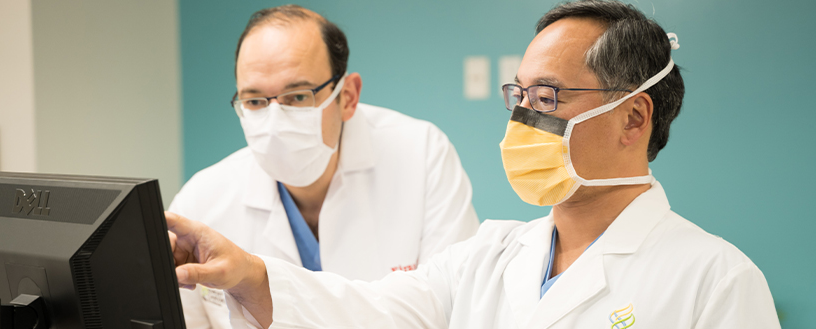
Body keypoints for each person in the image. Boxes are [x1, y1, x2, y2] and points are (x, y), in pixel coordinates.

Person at [166, 1, 781, 328]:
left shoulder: (716, 281)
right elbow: (372, 315)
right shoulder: (488, 256)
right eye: (519, 97)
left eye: (548, 98)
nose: (522, 121)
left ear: (633, 118)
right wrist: (250, 274)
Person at [168, 5, 479, 328]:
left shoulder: (422, 155)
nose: (274, 122)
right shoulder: (202, 200)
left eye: (298, 96)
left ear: (347, 96)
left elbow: (455, 307)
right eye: (255, 101)